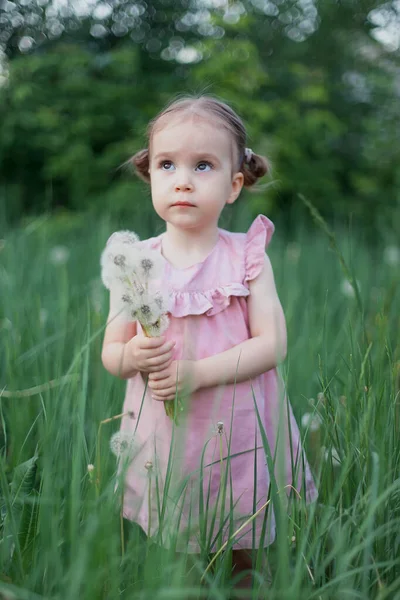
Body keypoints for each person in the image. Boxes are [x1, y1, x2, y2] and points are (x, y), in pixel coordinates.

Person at [101, 95, 317, 592]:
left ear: (234, 184)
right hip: (165, 437)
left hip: (240, 430)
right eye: (167, 164)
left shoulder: (246, 256)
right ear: (150, 175)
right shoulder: (134, 263)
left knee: (247, 544)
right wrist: (131, 355)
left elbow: (273, 343)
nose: (183, 179)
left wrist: (197, 373)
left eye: (203, 165)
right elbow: (111, 352)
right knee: (177, 547)